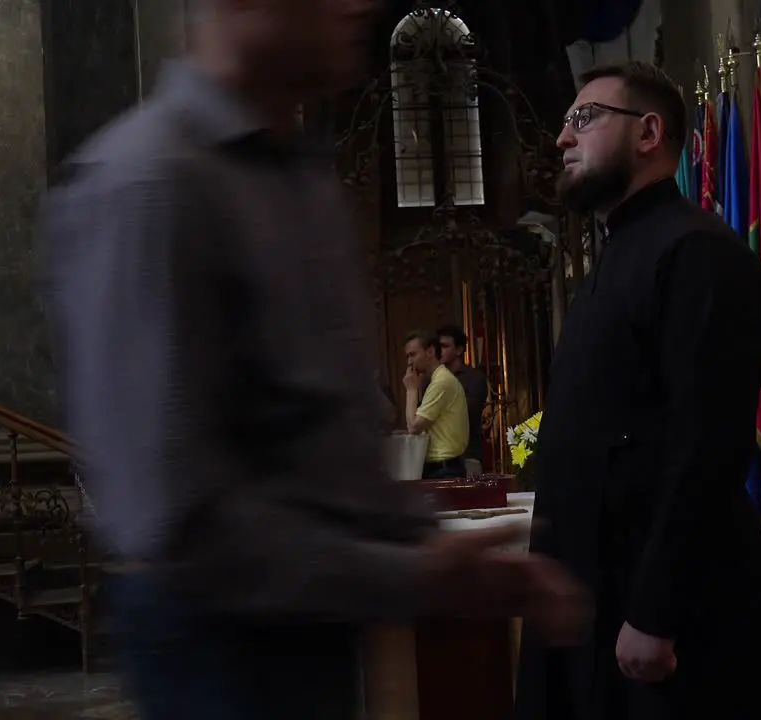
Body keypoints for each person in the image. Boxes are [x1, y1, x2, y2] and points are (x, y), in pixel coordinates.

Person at [39, 0, 587, 714]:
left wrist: (430, 547)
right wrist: (412, 573)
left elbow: (331, 436)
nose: (356, 4)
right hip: (222, 649)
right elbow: (181, 516)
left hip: (309, 634)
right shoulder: (150, 184)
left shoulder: (293, 174)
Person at [514, 61, 761, 720]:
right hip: (598, 583)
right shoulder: (618, 254)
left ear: (649, 133)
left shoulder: (699, 254)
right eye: (565, 124)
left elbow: (706, 445)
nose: (563, 139)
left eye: (583, 119)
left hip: (667, 607)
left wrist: (655, 610)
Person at [402, 331, 469, 479]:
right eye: (407, 357)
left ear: (430, 351)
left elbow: (413, 426)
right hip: (438, 466)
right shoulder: (435, 380)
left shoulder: (442, 382)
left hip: (445, 468)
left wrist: (411, 390)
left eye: (413, 355)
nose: (409, 362)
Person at [436, 325, 487, 469]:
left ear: (459, 350)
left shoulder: (474, 378)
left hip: (467, 454)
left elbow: (468, 412)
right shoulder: (432, 379)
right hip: (439, 456)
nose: (440, 351)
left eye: (445, 346)